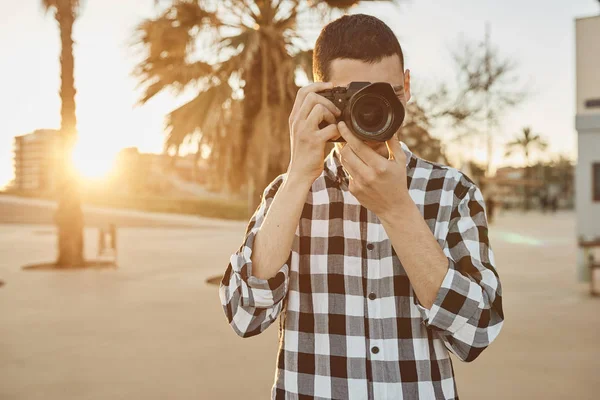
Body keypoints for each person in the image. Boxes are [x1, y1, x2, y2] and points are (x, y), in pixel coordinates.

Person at [219, 14, 504, 400]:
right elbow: (244, 315)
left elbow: (477, 333)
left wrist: (398, 211)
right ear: (320, 96)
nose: (371, 110)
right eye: (353, 96)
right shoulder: (286, 195)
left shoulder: (452, 191)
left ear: (406, 87)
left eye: (387, 93)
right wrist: (298, 175)